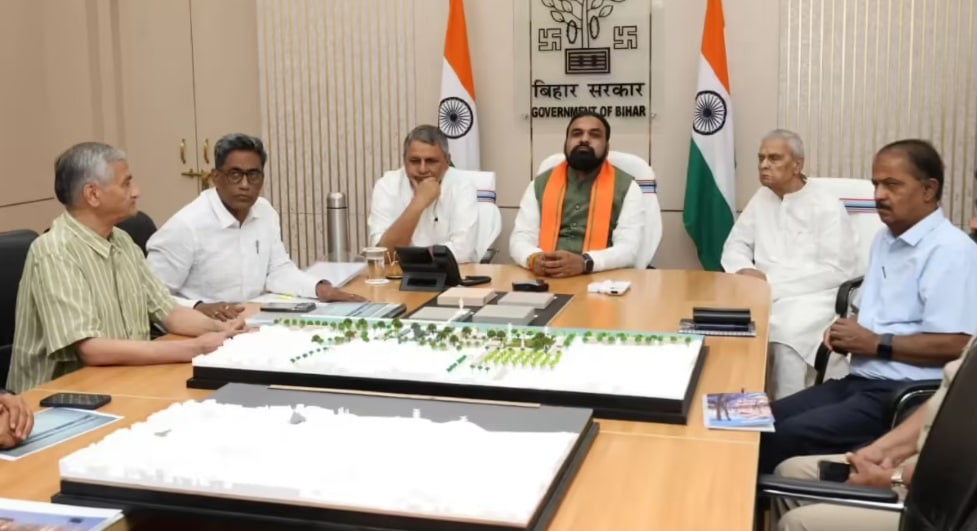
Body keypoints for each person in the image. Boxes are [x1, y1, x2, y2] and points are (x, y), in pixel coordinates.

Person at [758, 139, 977, 474]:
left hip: (901, 397)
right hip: (858, 381)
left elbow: (959, 344)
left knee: (777, 437)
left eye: (892, 185)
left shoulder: (951, 251)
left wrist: (876, 343)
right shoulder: (884, 240)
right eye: (876, 184)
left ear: (928, 190)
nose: (879, 195)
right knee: (755, 421)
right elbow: (874, 317)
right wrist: (843, 332)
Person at [6, 142, 243, 393]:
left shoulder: (122, 241)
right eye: (126, 183)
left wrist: (224, 331)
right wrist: (194, 348)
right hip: (56, 398)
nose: (136, 192)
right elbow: (91, 349)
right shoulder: (55, 251)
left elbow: (168, 312)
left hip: (122, 378)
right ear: (93, 194)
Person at [147, 133, 364, 320]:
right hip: (198, 328)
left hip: (250, 320)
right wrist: (198, 307)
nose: (245, 185)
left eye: (253, 175)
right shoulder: (186, 226)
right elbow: (148, 295)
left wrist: (320, 289)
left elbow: (278, 271)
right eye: (235, 175)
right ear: (216, 177)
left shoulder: (264, 211)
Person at [772, 335, 976, 531]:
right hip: (930, 463)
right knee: (790, 473)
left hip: (954, 499)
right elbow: (943, 399)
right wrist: (879, 451)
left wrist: (895, 478)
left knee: (798, 524)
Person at [722, 130, 859, 399]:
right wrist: (743, 269)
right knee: (721, 327)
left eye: (774, 158)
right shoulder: (762, 197)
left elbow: (837, 271)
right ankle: (738, 407)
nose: (764, 165)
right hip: (761, 294)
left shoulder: (826, 205)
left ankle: (785, 409)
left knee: (785, 334)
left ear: (797, 165)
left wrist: (770, 285)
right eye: (761, 158)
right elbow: (735, 245)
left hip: (813, 297)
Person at [509, 111, 644, 277]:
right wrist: (534, 258)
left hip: (601, 280)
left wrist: (585, 262)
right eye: (576, 133)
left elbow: (628, 249)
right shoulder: (539, 184)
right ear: (566, 142)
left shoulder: (628, 188)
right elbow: (521, 237)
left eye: (594, 135)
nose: (584, 139)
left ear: (607, 147)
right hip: (544, 279)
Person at [367, 125, 479, 263]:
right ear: (404, 161)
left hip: (450, 272)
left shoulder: (462, 185)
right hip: (398, 273)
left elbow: (463, 251)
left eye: (431, 161)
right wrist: (418, 203)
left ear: (447, 161)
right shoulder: (387, 185)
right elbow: (383, 254)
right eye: (414, 161)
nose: (422, 169)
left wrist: (408, 256)